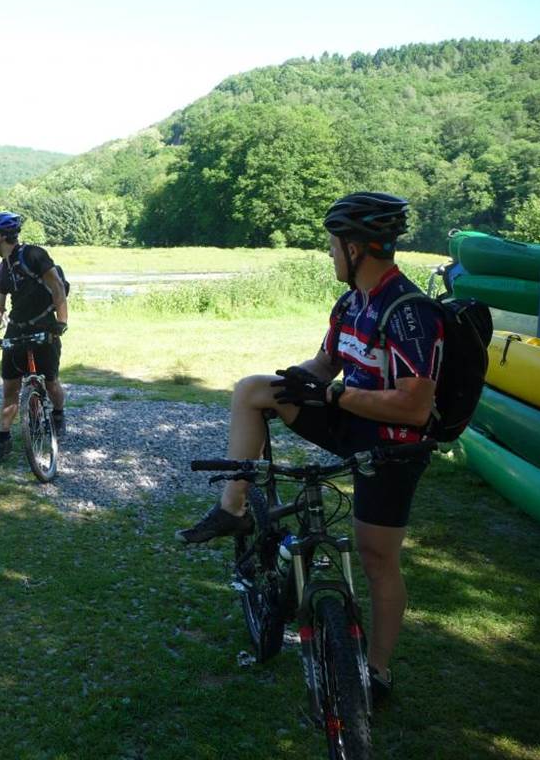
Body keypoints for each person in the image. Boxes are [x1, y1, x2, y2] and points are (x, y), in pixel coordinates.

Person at [175, 192, 443, 706]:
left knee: (377, 558)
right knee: (253, 390)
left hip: (392, 444)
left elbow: (414, 407)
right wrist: (299, 380)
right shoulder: (351, 304)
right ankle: (234, 509)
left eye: (333, 246)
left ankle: (377, 672)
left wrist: (335, 395)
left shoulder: (408, 312)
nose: (330, 254)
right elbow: (325, 365)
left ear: (355, 249)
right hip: (349, 420)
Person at [0, 212, 69, 464]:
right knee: (10, 388)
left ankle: (58, 414)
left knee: (51, 383)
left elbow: (57, 286)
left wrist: (61, 321)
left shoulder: (34, 255)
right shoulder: (3, 268)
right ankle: (3, 438)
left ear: (1, 237)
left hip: (45, 325)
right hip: (17, 329)